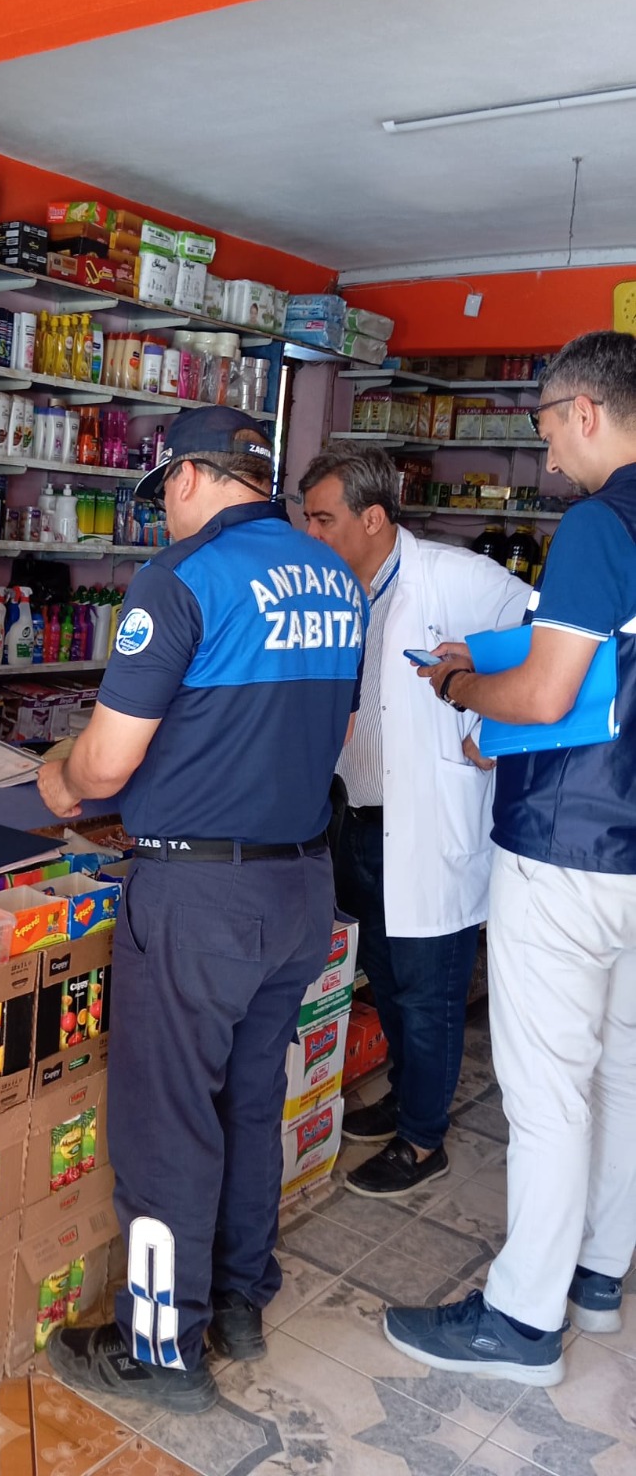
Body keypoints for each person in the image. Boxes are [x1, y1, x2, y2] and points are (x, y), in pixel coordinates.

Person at [36, 404, 366, 1414]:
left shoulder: (178, 580)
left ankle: (154, 1345)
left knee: (164, 1122)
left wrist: (57, 778)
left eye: (161, 498)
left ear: (184, 478)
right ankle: (238, 1299)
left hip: (197, 899)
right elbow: (333, 724)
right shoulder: (335, 577)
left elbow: (105, 758)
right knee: (248, 1098)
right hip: (298, 885)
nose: (161, 519)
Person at [382, 331, 636, 1386]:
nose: (542, 453)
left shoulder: (597, 521)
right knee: (622, 1070)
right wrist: (496, 659)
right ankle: (599, 1274)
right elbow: (601, 671)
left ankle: (520, 1322)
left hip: (566, 845)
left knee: (546, 1090)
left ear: (584, 411)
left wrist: (458, 691)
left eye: (541, 426)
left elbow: (543, 697)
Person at [299, 447, 527, 1198]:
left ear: (373, 517)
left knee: (430, 994)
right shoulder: (333, 589)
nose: (312, 533)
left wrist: (494, 733)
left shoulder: (456, 578)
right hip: (358, 819)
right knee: (389, 982)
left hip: (429, 825)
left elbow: (550, 646)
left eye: (324, 519)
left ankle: (425, 1141)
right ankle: (406, 1097)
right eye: (307, 517)